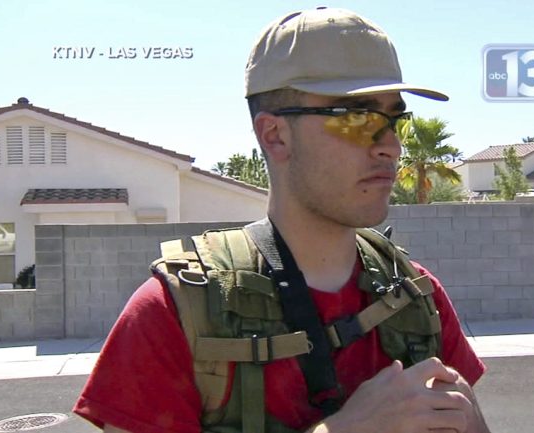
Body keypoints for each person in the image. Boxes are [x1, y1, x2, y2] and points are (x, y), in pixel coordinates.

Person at [74, 7, 491, 433]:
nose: (390, 147)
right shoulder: (173, 312)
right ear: (275, 135)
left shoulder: (416, 296)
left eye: (394, 120)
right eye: (357, 117)